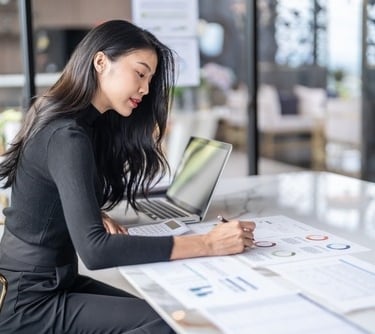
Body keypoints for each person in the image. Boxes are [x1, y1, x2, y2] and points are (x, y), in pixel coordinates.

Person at [0, 19, 256, 334]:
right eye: (139, 73)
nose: (146, 89)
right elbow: (95, 251)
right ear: (100, 61)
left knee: (163, 312)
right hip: (30, 300)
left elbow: (40, 194)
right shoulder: (67, 135)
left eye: (149, 78)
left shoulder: (64, 116)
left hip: (41, 282)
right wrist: (208, 244)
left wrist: (89, 211)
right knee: (163, 324)